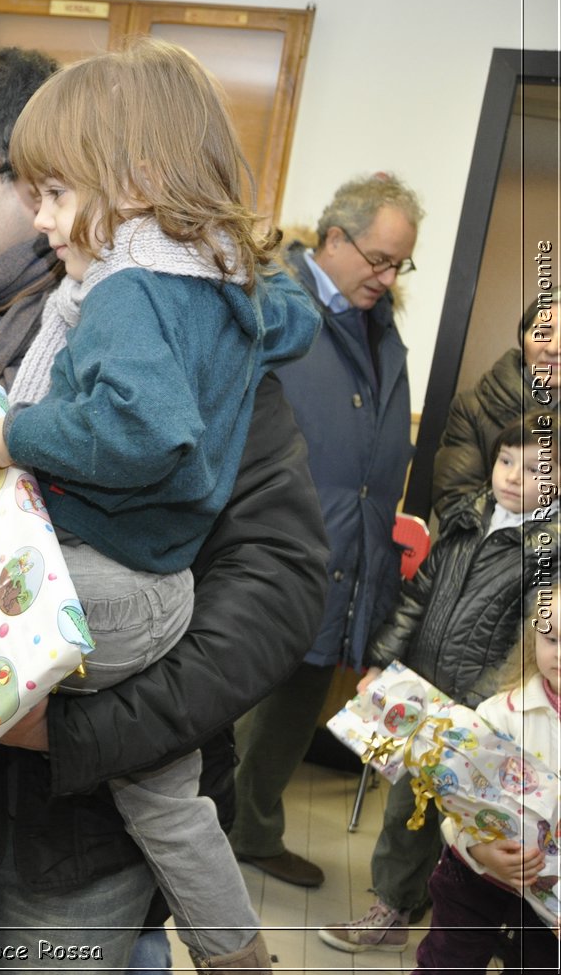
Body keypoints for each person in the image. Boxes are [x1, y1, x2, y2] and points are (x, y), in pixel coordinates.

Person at [0, 46, 329, 973]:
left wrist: (67, 724)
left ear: (51, 176)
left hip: (70, 844)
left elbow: (274, 590)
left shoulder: (178, 332)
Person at [230, 172, 421, 891]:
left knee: (300, 696)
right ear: (335, 238)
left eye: (399, 262)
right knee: (241, 695)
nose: (387, 275)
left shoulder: (379, 325)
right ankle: (210, 837)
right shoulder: (276, 303)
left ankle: (251, 828)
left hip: (348, 543)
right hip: (275, 540)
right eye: (378, 258)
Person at [320, 412, 557, 954]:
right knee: (409, 806)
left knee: (484, 825)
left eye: (534, 469)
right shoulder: (464, 516)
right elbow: (417, 598)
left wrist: (489, 707)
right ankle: (393, 907)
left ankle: (471, 930)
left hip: (491, 715)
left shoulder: (549, 549)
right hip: (426, 695)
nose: (513, 476)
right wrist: (382, 660)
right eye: (505, 461)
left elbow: (530, 639)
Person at [410, 588, 561, 973]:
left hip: (551, 901)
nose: (560, 652)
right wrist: (480, 851)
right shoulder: (500, 713)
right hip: (475, 879)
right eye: (552, 638)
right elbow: (459, 802)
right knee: (446, 964)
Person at [432, 296, 557, 521]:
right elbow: (455, 503)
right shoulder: (473, 407)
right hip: (488, 550)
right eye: (543, 333)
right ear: (522, 338)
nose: (554, 348)